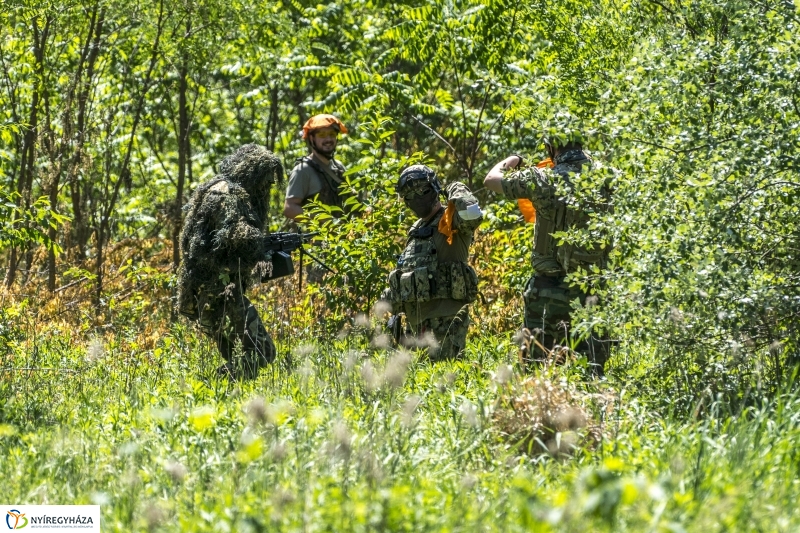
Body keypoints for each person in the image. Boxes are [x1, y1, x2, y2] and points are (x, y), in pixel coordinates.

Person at [484, 135, 611, 375]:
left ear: (551, 147)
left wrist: (514, 159)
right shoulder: (607, 176)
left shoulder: (544, 178)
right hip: (592, 292)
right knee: (592, 373)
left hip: (547, 293)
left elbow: (491, 180)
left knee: (537, 372)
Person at [176, 144, 282, 380]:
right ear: (250, 173)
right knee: (262, 352)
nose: (267, 188)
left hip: (214, 292)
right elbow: (236, 235)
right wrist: (261, 246)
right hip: (216, 293)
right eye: (264, 182)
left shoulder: (224, 189)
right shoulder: (226, 194)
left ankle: (220, 392)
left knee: (243, 356)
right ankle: (211, 386)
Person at [383, 165, 483, 360]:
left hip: (445, 322)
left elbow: (473, 214)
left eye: (422, 190)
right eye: (409, 195)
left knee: (445, 374)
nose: (417, 197)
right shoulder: (415, 229)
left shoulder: (450, 219)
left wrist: (456, 188)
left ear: (435, 188)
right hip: (415, 326)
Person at [283, 114, 350, 220]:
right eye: (322, 135)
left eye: (332, 134)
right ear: (311, 138)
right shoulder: (303, 170)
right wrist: (325, 221)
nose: (328, 139)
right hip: (317, 231)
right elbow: (290, 208)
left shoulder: (339, 167)